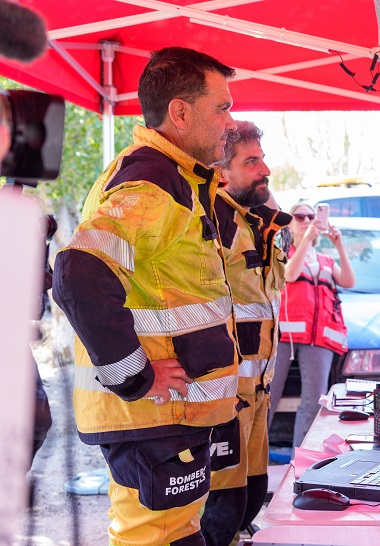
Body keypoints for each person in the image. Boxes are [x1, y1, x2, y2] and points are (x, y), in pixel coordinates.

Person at [52, 47, 239, 545]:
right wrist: (134, 375)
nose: (231, 121)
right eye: (222, 107)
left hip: (167, 417)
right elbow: (78, 271)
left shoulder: (174, 179)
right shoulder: (153, 185)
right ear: (180, 112)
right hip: (153, 415)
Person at [201, 121, 291, 545]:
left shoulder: (253, 219)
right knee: (222, 510)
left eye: (263, 158)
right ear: (222, 170)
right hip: (224, 395)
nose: (264, 170)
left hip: (255, 390)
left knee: (253, 496)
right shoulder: (210, 220)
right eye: (251, 161)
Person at [269, 202, 355, 448]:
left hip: (319, 340)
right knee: (268, 398)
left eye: (311, 216)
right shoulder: (282, 254)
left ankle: (301, 464)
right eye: (300, 216)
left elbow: (349, 280)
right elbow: (289, 275)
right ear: (290, 223)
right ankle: (256, 464)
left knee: (314, 402)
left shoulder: (326, 261)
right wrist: (306, 239)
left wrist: (339, 245)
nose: (307, 220)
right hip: (285, 337)